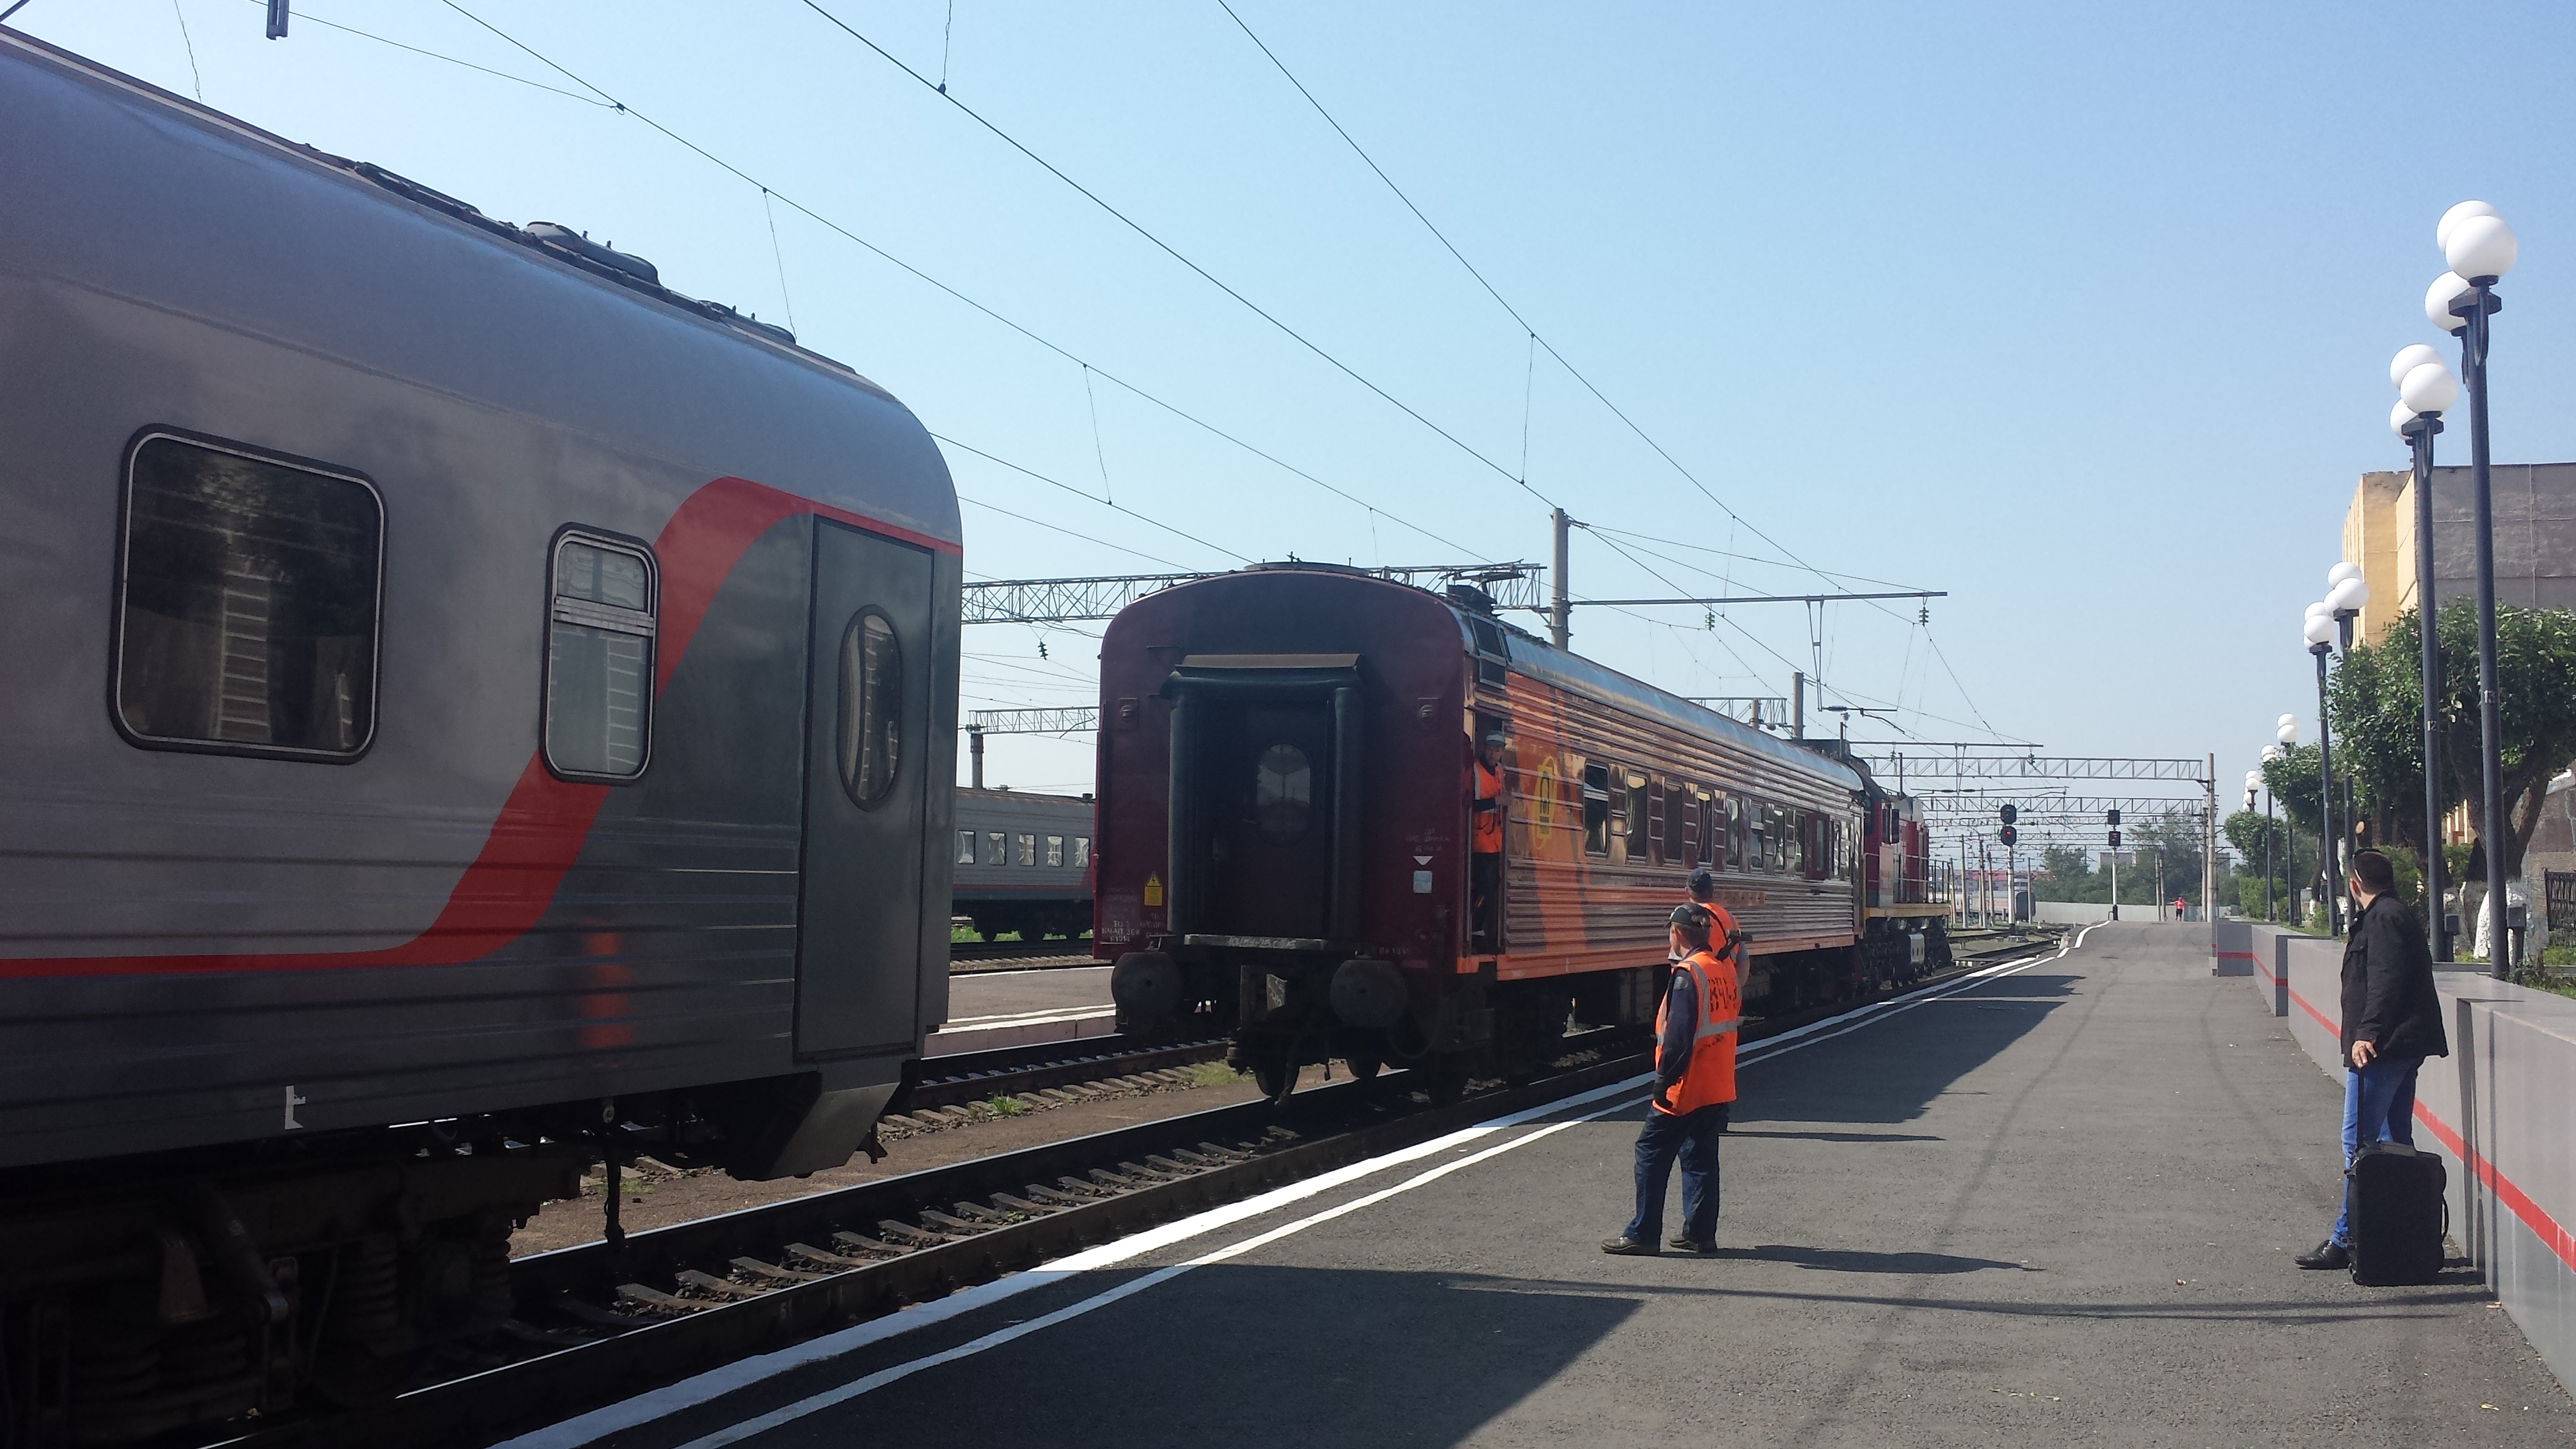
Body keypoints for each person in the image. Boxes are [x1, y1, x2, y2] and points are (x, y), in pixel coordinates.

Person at [2296, 848, 2450, 1271]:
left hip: (2382, 1049)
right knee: (2395, 1143)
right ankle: (2401, 1236)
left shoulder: (2382, 919)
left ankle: (2347, 1238)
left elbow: (2385, 980)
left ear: (2354, 884)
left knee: (2360, 1143)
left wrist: (2367, 1034)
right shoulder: (2394, 914)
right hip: (2401, 1045)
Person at [1604, 904, 1740, 1256]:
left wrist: (1663, 1081)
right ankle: (1700, 1234)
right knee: (1701, 1158)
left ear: (1677, 933)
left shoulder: (1687, 974)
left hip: (1686, 1087)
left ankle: (1643, 1233)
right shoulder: (1722, 969)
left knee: (1650, 1151)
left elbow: (1679, 1038)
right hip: (1718, 1083)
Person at [1684, 866, 1747, 997]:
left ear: (1687, 892)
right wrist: (1734, 990)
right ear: (1713, 891)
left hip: (1695, 990)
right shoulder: (1730, 919)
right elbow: (1744, 962)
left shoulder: (1685, 919)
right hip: (1726, 992)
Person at [1469, 732, 1507, 951]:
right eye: (1491, 749)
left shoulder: (1500, 771)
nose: (1494, 754)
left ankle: (1485, 930)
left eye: (1498, 750)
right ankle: (1475, 928)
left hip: (1495, 842)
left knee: (1492, 888)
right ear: (1484, 749)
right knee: (1483, 887)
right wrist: (1497, 801)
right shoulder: (1475, 770)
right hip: (1479, 841)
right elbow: (1470, 804)